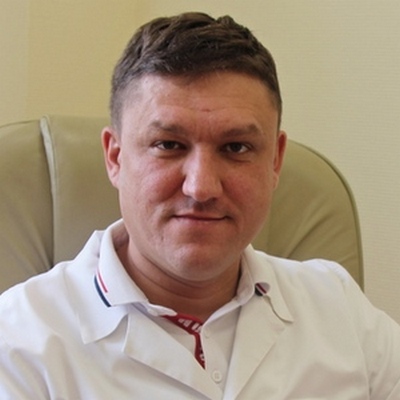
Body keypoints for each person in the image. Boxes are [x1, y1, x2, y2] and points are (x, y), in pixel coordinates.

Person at [0, 11, 399, 399]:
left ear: (275, 161)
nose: (202, 187)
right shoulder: (19, 345)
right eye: (168, 145)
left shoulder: (338, 305)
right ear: (115, 157)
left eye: (236, 147)